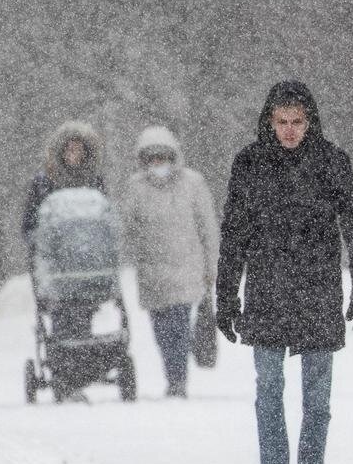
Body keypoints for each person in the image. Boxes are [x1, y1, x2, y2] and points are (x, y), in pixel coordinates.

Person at [216, 80, 353, 464]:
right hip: (267, 290)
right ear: (269, 121)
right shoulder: (250, 163)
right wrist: (226, 295)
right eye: (282, 121)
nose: (289, 130)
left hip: (317, 290)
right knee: (268, 391)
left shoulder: (331, 162)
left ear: (311, 122)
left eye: (297, 122)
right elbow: (234, 233)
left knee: (317, 400)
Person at [122, 126, 219, 398]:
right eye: (152, 158)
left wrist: (211, 265)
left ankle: (177, 380)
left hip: (186, 268)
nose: (158, 163)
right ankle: (174, 375)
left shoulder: (192, 184)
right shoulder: (136, 188)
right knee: (162, 331)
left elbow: (207, 228)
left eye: (162, 157)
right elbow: (127, 227)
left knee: (178, 324)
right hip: (152, 273)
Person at [21, 121, 107, 341]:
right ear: (60, 152)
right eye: (69, 149)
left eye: (78, 149)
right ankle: (66, 349)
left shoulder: (94, 181)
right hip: (55, 262)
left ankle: (79, 349)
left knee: (83, 309)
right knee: (61, 310)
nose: (73, 155)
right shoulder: (43, 183)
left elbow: (103, 217)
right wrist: (38, 239)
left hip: (87, 261)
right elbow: (29, 222)